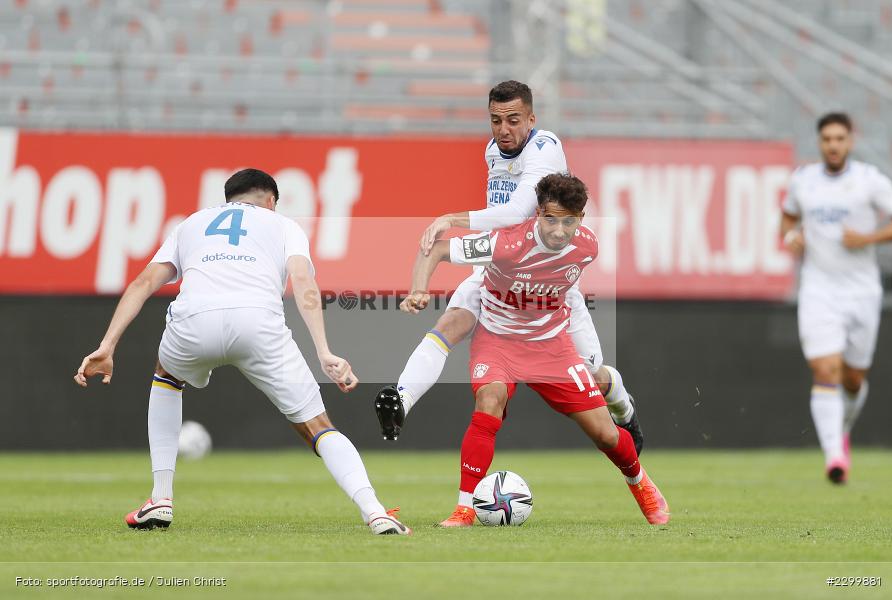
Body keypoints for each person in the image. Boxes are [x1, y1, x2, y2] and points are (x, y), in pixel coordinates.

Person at [74, 168, 410, 535]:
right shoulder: (283, 225)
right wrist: (324, 351)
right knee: (318, 427)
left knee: (166, 375)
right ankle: (375, 512)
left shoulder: (191, 224)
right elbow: (303, 281)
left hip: (193, 322)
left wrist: (107, 345)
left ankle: (161, 498)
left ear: (229, 199)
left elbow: (143, 283)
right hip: (259, 324)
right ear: (271, 201)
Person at [375, 81, 643, 454]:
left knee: (594, 375)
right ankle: (400, 400)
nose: (503, 129)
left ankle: (622, 404)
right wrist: (421, 287)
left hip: (546, 290)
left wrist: (450, 218)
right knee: (447, 327)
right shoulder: (493, 151)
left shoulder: (545, 148)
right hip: (498, 269)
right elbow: (496, 224)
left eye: (513, 120)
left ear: (531, 119)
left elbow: (518, 211)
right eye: (496, 120)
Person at [401, 173, 669, 527]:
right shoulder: (506, 243)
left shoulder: (587, 247)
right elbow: (437, 249)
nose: (560, 230)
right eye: (551, 219)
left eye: (569, 221)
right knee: (489, 401)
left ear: (582, 219)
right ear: (538, 213)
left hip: (552, 347)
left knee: (604, 432)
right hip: (498, 342)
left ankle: (642, 484)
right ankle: (464, 509)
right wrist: (418, 289)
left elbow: (566, 289)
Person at [781, 113, 892, 484]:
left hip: (862, 291)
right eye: (827, 138)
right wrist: (790, 238)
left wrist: (867, 239)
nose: (833, 145)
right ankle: (835, 457)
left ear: (850, 142)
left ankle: (840, 432)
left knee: (852, 379)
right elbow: (787, 220)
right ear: (820, 142)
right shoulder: (803, 181)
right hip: (819, 289)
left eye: (840, 138)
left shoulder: (870, 181)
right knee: (825, 370)